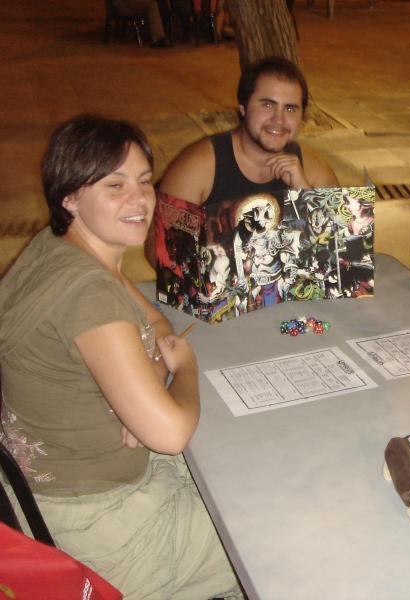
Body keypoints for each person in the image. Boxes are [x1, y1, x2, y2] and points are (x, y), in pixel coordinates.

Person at [0, 115, 241, 599]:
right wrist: (183, 367)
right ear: (70, 196)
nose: (140, 200)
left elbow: (155, 323)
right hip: (104, 530)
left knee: (241, 460)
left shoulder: (62, 246)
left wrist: (144, 378)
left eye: (145, 181)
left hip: (47, 497)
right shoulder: (89, 293)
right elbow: (170, 433)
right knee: (272, 531)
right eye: (115, 185)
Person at [145, 56, 338, 267]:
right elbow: (158, 251)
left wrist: (305, 192)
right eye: (267, 105)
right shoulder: (199, 167)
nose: (279, 120)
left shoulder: (313, 170)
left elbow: (343, 253)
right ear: (243, 107)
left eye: (290, 108)